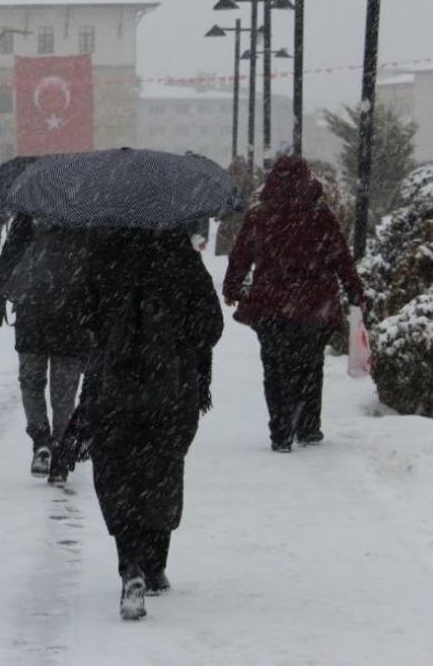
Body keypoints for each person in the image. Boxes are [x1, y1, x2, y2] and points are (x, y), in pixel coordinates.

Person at [72, 227, 223, 620]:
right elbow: (211, 325)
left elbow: (81, 314)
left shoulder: (102, 254)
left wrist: (113, 329)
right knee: (163, 468)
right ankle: (155, 564)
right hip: (171, 388)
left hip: (114, 385)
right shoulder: (182, 257)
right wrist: (175, 339)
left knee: (117, 470)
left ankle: (131, 563)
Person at [222, 155, 365, 452]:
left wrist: (232, 287)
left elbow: (240, 256)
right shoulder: (319, 214)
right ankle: (308, 426)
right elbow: (340, 256)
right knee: (310, 366)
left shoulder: (259, 215)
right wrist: (355, 292)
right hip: (314, 305)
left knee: (274, 368)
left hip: (270, 304)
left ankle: (281, 430)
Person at [0, 213, 94, 484]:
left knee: (32, 381)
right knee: (64, 389)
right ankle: (58, 447)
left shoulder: (31, 209)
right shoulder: (88, 212)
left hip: (33, 309)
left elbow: (10, 256)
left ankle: (42, 442)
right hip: (73, 313)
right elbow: (100, 265)